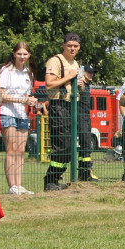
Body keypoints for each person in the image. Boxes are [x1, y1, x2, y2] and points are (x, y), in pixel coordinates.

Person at [0, 41, 38, 194]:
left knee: (21, 150)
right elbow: (1, 95)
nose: (22, 56)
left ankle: (19, 184)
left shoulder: (28, 72)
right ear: (14, 54)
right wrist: (22, 100)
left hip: (22, 114)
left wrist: (31, 100)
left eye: (25, 54)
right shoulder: (6, 70)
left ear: (29, 55)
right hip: (8, 112)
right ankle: (12, 186)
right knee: (11, 149)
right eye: (19, 54)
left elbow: (26, 94)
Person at [43, 33, 81, 190]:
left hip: (71, 105)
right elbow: (49, 84)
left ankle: (56, 179)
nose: (72, 49)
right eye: (70, 45)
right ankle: (50, 180)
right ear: (63, 45)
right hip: (59, 105)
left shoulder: (75, 63)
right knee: (61, 144)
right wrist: (69, 77)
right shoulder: (56, 60)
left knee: (70, 146)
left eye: (76, 46)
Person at [76, 65, 98, 182]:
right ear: (84, 73)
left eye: (92, 72)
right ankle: (86, 173)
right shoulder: (81, 83)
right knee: (86, 145)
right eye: (89, 72)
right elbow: (77, 86)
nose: (91, 74)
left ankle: (83, 172)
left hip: (86, 116)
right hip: (80, 116)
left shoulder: (88, 84)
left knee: (85, 145)